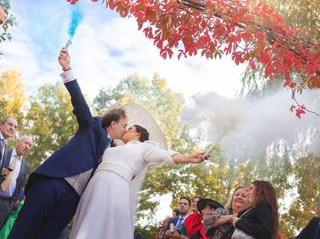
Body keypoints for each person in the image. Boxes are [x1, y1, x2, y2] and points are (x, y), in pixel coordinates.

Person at [8, 49, 128, 239]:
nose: (125, 129)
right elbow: (79, 102)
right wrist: (67, 68)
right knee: (23, 229)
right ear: (114, 122)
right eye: (124, 125)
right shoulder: (92, 125)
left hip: (72, 200)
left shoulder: (113, 151)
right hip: (54, 181)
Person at [70, 125, 207, 239]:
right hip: (94, 186)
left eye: (129, 129)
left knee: (105, 225)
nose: (125, 130)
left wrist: (189, 158)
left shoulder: (144, 148)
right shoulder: (111, 147)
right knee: (87, 223)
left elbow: (167, 155)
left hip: (115, 187)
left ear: (138, 134)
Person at [0, 136, 32, 227]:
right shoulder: (4, 152)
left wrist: (13, 201)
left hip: (6, 204)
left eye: (30, 146)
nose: (27, 147)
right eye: (26, 143)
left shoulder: (25, 166)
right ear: (17, 142)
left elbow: (20, 184)